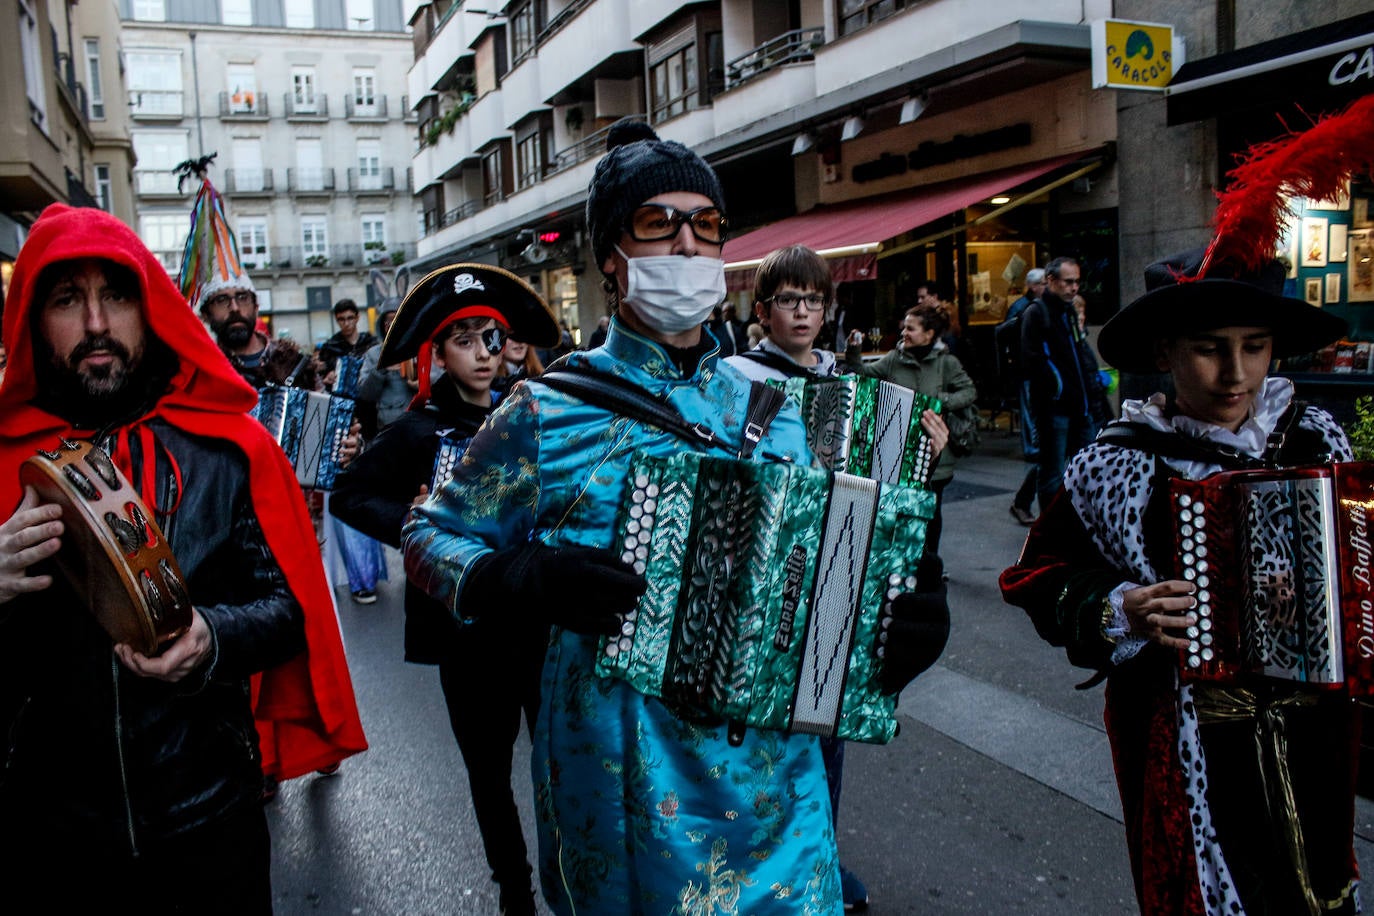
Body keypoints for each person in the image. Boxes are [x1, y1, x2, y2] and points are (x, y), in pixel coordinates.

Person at [403, 119, 947, 914]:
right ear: (611, 257)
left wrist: (901, 619)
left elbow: (833, 566)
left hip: (775, 778)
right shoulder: (547, 410)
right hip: (626, 769)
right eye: (658, 224)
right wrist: (514, 576)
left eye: (707, 225)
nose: (689, 246)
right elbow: (429, 534)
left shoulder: (783, 406)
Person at [0, 204, 366, 908]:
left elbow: (290, 611)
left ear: (150, 308)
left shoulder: (228, 448)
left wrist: (212, 638)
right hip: (50, 836)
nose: (98, 323)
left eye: (116, 295)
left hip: (209, 819)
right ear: (34, 323)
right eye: (68, 299)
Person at [1001, 249, 1356, 915]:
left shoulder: (1317, 443)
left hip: (1316, 741)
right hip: (1185, 741)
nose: (1237, 373)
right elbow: (1034, 576)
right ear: (1165, 351)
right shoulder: (1117, 463)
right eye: (1209, 349)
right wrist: (1119, 608)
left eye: (1255, 347)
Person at [727, 244, 949, 913]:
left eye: (813, 300)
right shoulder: (734, 381)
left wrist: (924, 452)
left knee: (826, 723)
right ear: (762, 310)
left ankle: (817, 856)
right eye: (789, 300)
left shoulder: (853, 384)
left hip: (840, 577)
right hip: (765, 583)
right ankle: (765, 866)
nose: (802, 312)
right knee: (761, 734)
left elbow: (889, 501)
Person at [332, 265, 558, 916]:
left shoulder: (535, 412)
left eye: (492, 337)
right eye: (464, 340)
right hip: (465, 636)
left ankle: (571, 877)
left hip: (538, 622)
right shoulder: (415, 430)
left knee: (560, 764)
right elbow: (350, 494)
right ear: (437, 353)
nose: (484, 353)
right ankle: (514, 890)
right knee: (489, 776)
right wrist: (411, 519)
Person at [844, 300, 976, 564]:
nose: (904, 333)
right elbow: (863, 375)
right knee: (901, 507)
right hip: (898, 449)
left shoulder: (946, 363)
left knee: (930, 509)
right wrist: (853, 350)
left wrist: (939, 399)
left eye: (911, 329)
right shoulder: (895, 358)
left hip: (936, 451)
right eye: (904, 327)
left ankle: (929, 562)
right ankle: (902, 562)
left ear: (928, 334)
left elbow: (969, 392)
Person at [1020, 256, 1103, 511]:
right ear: (1051, 281)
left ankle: (1078, 519)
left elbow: (1078, 355)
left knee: (1084, 468)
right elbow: (1033, 360)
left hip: (1079, 406)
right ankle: (1051, 528)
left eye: (1077, 282)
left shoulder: (1068, 312)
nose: (1074, 287)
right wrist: (1059, 389)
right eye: (1068, 282)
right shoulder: (1037, 312)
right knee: (1052, 472)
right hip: (1054, 409)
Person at [996, 267, 1046, 526]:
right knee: (1047, 451)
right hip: (1030, 373)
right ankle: (1032, 449)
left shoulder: (1050, 309)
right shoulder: (1025, 308)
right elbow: (1005, 334)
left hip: (1043, 378)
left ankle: (1025, 502)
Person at [356, 306, 417, 431]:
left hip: (417, 422)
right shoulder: (373, 354)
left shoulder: (419, 349)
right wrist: (381, 369)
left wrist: (423, 384)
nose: (393, 325)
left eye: (398, 320)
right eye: (388, 322)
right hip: (387, 426)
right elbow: (366, 395)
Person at [318, 298, 378, 379]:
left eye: (350, 318)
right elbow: (322, 376)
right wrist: (327, 376)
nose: (346, 324)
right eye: (341, 319)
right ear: (337, 320)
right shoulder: (330, 348)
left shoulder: (370, 343)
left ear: (357, 318)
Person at [492, 332, 545, 400]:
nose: (519, 341)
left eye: (523, 336)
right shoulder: (488, 381)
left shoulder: (540, 378)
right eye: (511, 336)